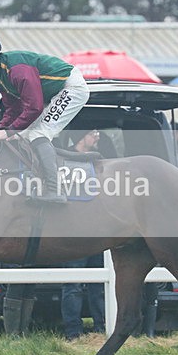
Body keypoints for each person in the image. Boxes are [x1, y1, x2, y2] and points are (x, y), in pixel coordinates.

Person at [0, 31, 90, 204]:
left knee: (38, 134)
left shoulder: (17, 70)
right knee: (24, 135)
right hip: (55, 92)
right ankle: (37, 182)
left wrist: (8, 132)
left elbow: (34, 108)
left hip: (72, 88)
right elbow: (13, 109)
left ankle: (54, 190)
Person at [59, 129, 107, 340]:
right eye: (93, 133)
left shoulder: (98, 161)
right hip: (74, 233)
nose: (97, 137)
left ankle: (101, 328)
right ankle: (73, 333)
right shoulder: (62, 161)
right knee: (73, 285)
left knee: (100, 284)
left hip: (98, 232)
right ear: (81, 137)